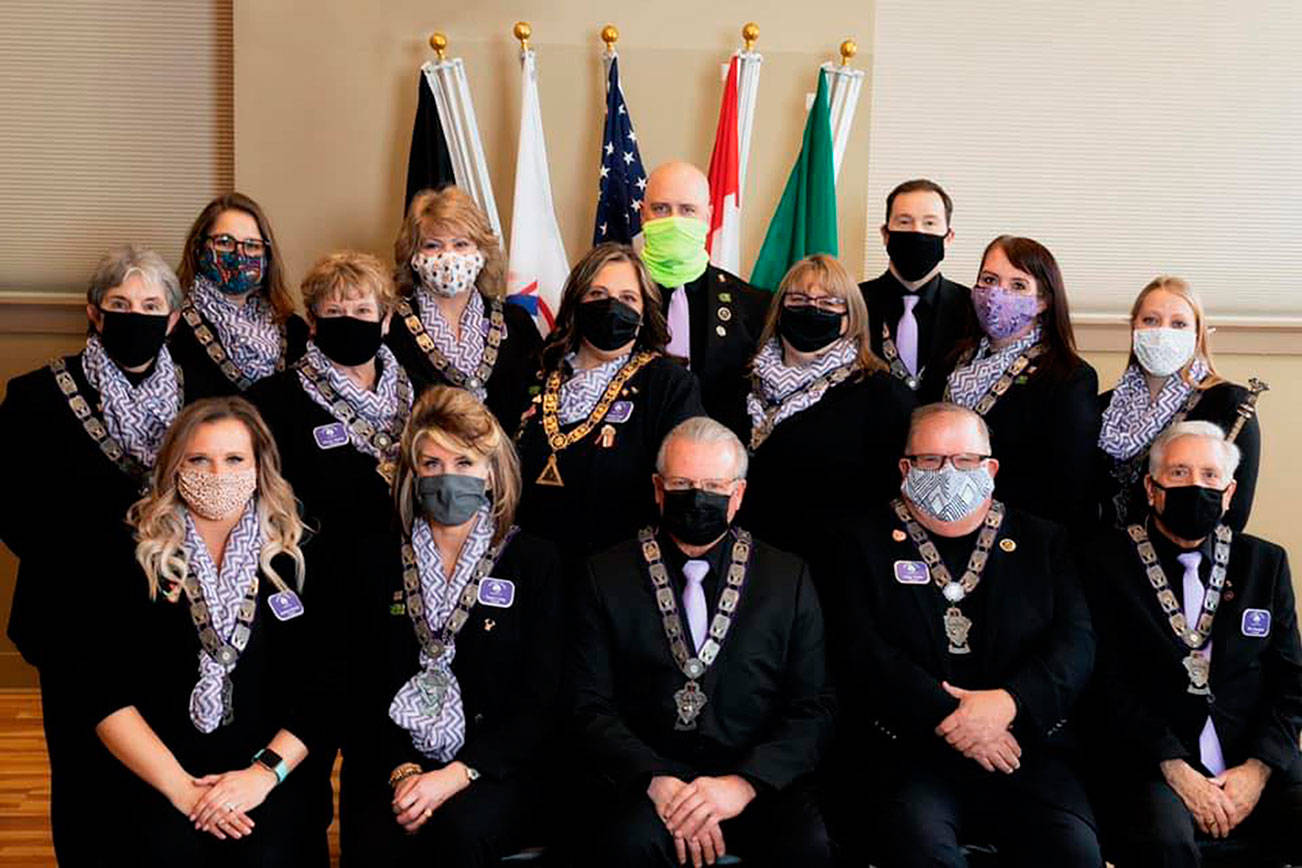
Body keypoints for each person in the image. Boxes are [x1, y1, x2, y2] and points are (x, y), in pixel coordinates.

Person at [815, 402, 1100, 867]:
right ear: (906, 468)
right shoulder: (856, 541)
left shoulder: (1044, 541)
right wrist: (956, 716)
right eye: (931, 460)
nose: (948, 472)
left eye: (965, 461)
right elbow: (859, 649)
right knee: (920, 851)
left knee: (1073, 851)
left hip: (1023, 748)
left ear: (990, 468)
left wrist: (1010, 703)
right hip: (907, 751)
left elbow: (1076, 643)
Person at [570, 416, 835, 867]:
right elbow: (587, 703)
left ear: (737, 496)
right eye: (682, 483)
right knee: (623, 846)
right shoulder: (605, 574)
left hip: (752, 781)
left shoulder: (787, 577)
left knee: (808, 846)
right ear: (657, 489)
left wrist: (744, 784)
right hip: (647, 782)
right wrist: (654, 778)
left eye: (713, 484)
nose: (696, 498)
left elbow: (814, 707)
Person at [0, 245, 191, 865]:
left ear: (172, 320)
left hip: (172, 613)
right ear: (94, 312)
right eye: (120, 304)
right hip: (73, 617)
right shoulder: (34, 396)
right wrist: (94, 563)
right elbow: (10, 506)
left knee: (161, 768)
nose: (135, 315)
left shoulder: (203, 397)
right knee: (85, 778)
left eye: (151, 306)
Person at [93, 397, 331, 865]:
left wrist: (261, 775)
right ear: (174, 466)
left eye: (234, 459)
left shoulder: (301, 552)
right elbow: (100, 689)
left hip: (268, 774)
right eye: (199, 459)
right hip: (159, 776)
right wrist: (184, 792)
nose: (217, 474)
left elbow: (327, 687)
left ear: (260, 466)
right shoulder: (127, 550)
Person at [336, 386, 562, 865]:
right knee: (380, 835)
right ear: (413, 474)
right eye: (432, 464)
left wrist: (459, 773)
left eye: (463, 463)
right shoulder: (374, 560)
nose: (447, 477)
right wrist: (403, 771)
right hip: (392, 759)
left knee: (459, 833)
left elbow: (541, 698)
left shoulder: (535, 562)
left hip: (495, 768)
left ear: (491, 472)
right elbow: (359, 683)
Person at [1084, 421, 1302, 867]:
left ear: (1229, 491)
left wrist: (1257, 771)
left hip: (1253, 757)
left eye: (1209, 476)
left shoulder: (1265, 563)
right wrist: (1175, 767)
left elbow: (1291, 683)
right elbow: (1105, 684)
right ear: (1151, 486)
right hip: (1151, 761)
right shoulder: (1103, 561)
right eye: (1179, 473)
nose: (1195, 486)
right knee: (1165, 844)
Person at [514, 243, 703, 567]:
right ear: (576, 303)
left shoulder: (668, 385)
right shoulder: (535, 372)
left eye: (628, 298)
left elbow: (682, 493)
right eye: (598, 295)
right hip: (530, 572)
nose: (612, 307)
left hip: (621, 577)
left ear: (645, 312)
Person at [738, 253, 916, 560]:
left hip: (838, 567)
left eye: (829, 303)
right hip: (751, 567)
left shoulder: (883, 395)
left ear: (850, 317)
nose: (812, 309)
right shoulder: (739, 382)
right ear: (779, 310)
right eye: (799, 299)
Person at [933, 235, 1099, 529]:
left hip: (1022, 538)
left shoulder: (1069, 378)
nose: (997, 294)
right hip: (943, 525)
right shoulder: (952, 361)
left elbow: (1070, 490)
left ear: (1043, 301)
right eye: (989, 280)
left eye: (1017, 285)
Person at [248, 250, 412, 539]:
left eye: (363, 311)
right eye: (334, 312)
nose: (349, 322)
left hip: (415, 565)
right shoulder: (270, 402)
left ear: (385, 320)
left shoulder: (422, 395)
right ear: (313, 321)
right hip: (322, 570)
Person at [1096, 276, 1261, 531]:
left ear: (1198, 335)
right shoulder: (1104, 408)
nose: (1163, 333)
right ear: (1133, 329)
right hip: (1107, 558)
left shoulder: (1229, 404)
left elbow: (1234, 512)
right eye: (1150, 320)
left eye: (1179, 324)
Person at [386, 186, 543, 426]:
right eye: (432, 245)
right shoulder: (391, 324)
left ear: (481, 252)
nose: (449, 257)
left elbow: (540, 393)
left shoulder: (516, 322)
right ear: (413, 256)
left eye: (460, 244)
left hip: (508, 460)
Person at [638, 161, 769, 437]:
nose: (674, 221)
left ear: (708, 217)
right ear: (643, 216)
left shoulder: (752, 305)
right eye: (661, 209)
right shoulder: (615, 298)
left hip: (716, 468)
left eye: (688, 210)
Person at [171, 192, 308, 397]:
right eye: (225, 242)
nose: (239, 254)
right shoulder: (173, 328)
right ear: (198, 248)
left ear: (266, 255)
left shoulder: (295, 329)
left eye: (252, 245)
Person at [858, 179, 971, 395]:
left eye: (929, 223)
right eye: (904, 222)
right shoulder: (853, 302)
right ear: (885, 234)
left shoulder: (971, 309)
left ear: (948, 237)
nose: (917, 232)